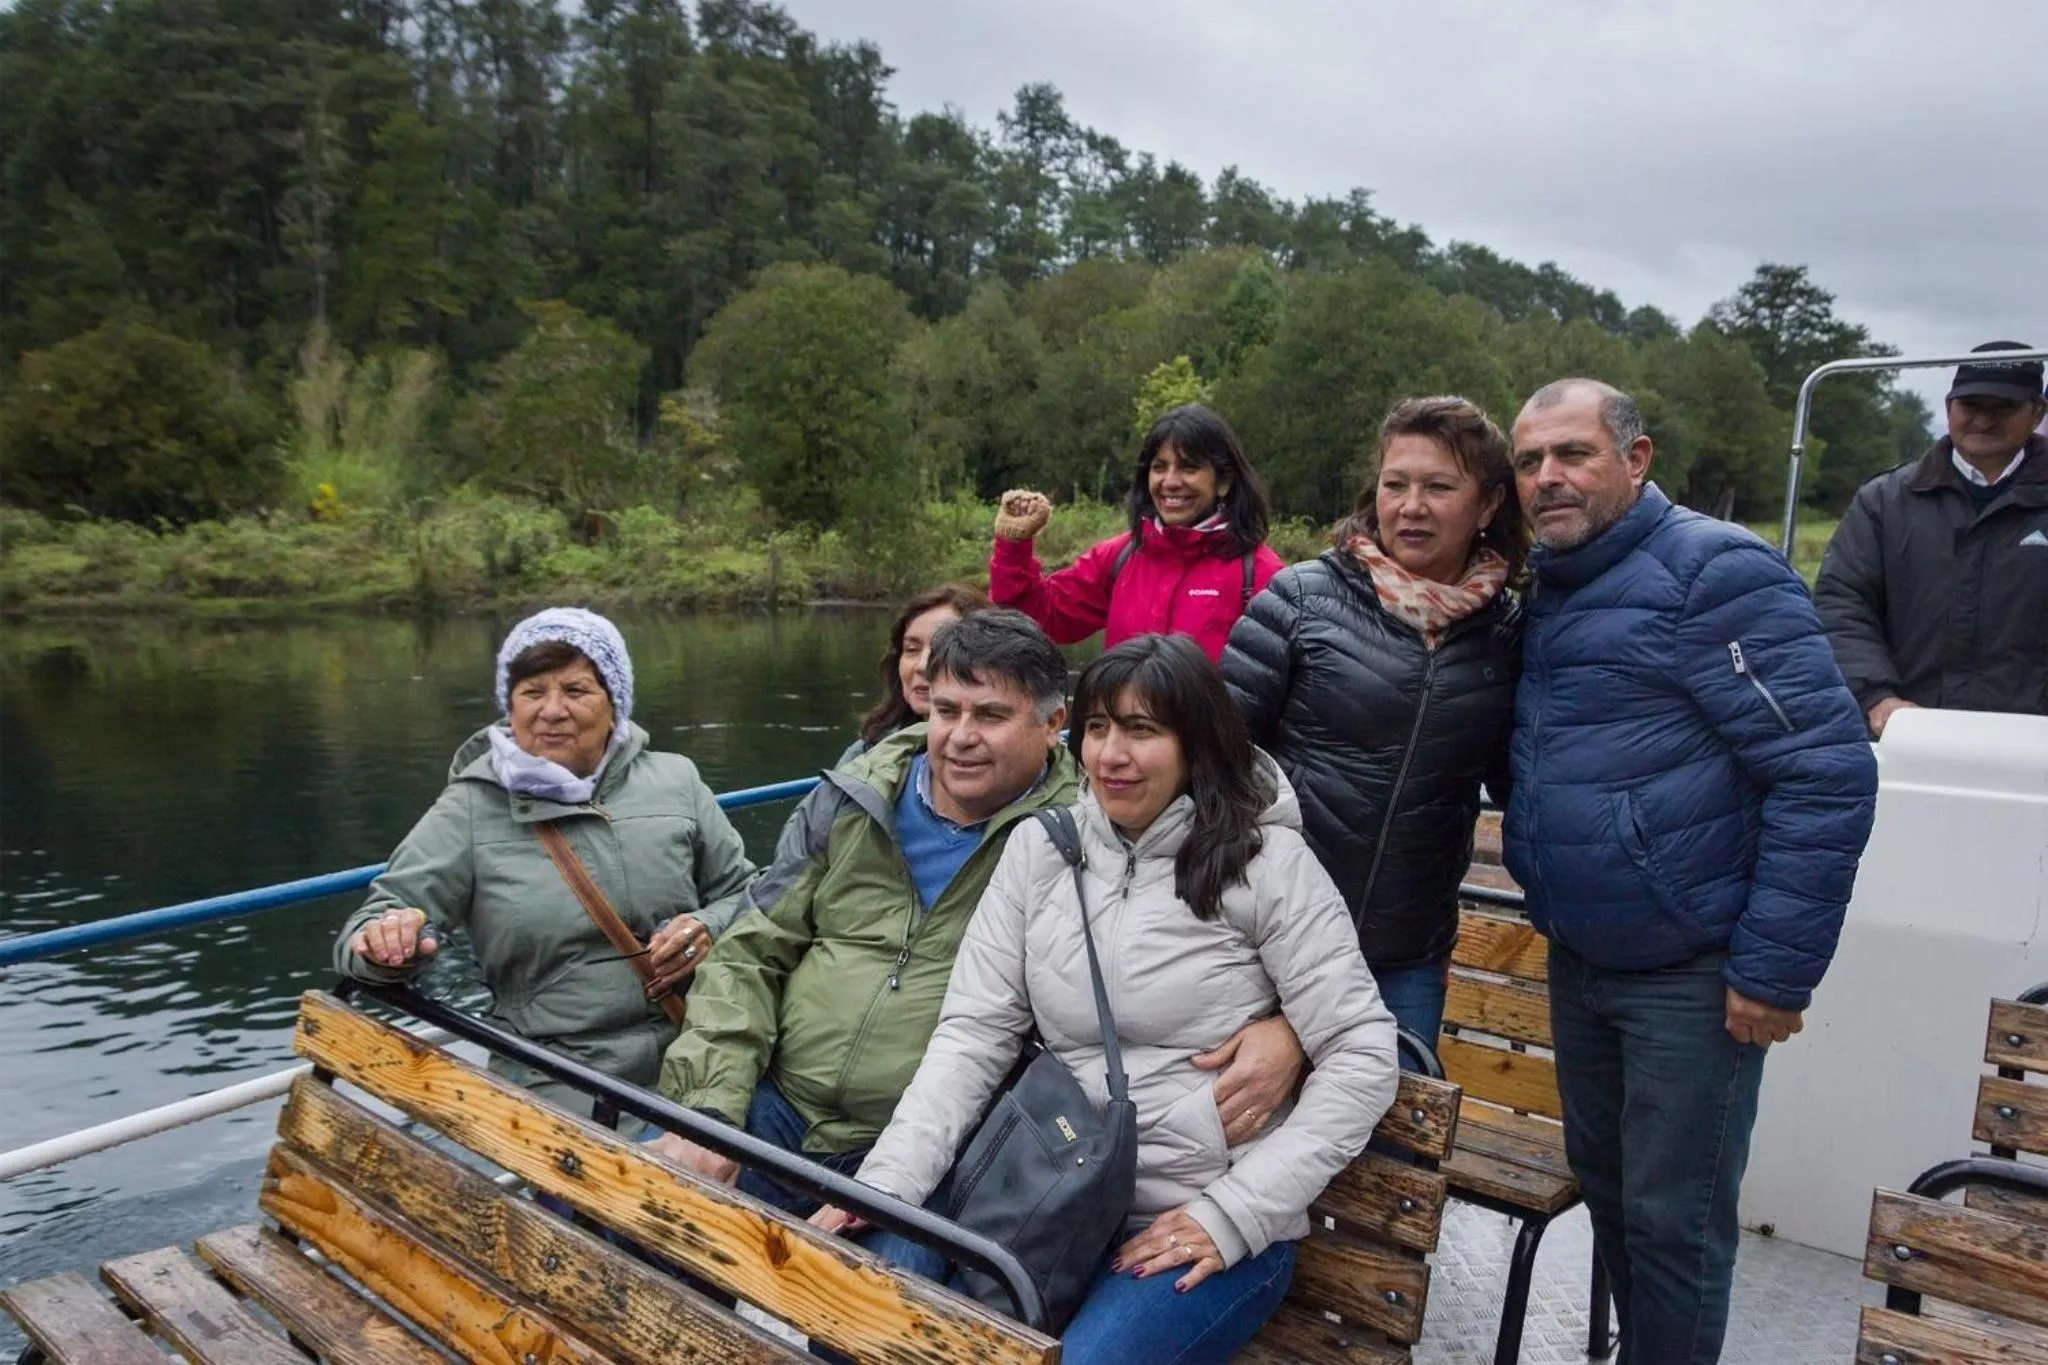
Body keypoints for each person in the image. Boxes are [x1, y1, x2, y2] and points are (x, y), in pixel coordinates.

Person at [809, 634, 1398, 1362]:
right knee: (854, 1309)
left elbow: (1363, 1052)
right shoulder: (1041, 851)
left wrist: (1233, 1213)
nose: (1111, 754)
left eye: (1142, 729)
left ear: (1196, 742)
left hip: (1189, 1215)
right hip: (1038, 1195)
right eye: (1097, 727)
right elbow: (972, 1035)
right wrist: (887, 1185)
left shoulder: (1265, 861)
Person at [651, 611, 1310, 1217]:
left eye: (991, 715)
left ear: (1054, 725)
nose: (961, 737)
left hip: (947, 1143)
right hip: (774, 1105)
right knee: (630, 1220)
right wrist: (709, 1110)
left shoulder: (1087, 833)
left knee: (873, 1314)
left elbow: (1220, 928)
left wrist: (1289, 1026)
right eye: (945, 710)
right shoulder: (851, 799)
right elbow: (749, 950)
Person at [1503, 379, 1877, 1364]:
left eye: (1571, 453)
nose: (1546, 477)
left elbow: (1823, 773)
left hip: (1688, 969)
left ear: (1635, 459)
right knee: (1614, 1192)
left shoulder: (1716, 575)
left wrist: (1771, 969)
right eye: (1528, 460)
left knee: (1674, 1220)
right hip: (1581, 955)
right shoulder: (1544, 584)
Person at [334, 607, 755, 1113]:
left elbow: (748, 893)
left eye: (576, 691)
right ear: (509, 705)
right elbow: (368, 930)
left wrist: (707, 925)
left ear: (615, 704)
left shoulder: (677, 780)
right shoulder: (470, 807)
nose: (552, 710)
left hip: (699, 1053)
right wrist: (386, 946)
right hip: (559, 1079)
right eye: (533, 692)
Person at [1222, 395, 1525, 1041]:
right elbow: (1214, 758)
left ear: (1489, 505)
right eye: (1396, 484)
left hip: (1404, 952)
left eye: (1439, 486)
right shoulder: (1301, 599)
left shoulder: (1508, 635)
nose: (1411, 505)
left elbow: (1525, 785)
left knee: (1390, 1128)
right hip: (1271, 938)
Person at [1815, 342, 2048, 732]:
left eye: (2002, 408)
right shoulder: (1884, 501)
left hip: (2035, 749)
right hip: (1902, 740)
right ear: (1949, 408)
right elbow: (1841, 604)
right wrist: (1877, 696)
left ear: (2037, 411)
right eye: (1971, 406)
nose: (1983, 421)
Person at [989, 403, 1285, 662]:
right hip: (1123, 727)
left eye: (1189, 468)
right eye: (1159, 467)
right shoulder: (1119, 558)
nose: (1170, 482)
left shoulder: (1260, 573)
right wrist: (1014, 543)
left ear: (1223, 481)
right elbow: (1035, 618)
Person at [840, 583, 989, 765]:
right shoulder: (867, 750)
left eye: (941, 649)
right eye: (912, 649)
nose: (922, 666)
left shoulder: (997, 753)